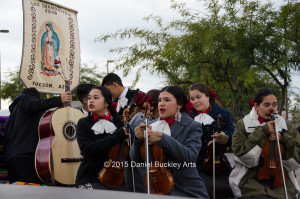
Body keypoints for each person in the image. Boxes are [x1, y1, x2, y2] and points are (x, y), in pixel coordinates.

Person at [130, 86, 209, 198]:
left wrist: (163, 139)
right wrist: (138, 140)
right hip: (157, 186)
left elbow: (190, 157)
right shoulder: (151, 125)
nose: (161, 104)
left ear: (179, 105)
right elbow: (136, 159)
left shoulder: (192, 125)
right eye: (159, 100)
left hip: (186, 188)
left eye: (167, 100)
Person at [229, 88, 300, 199]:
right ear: (256, 106)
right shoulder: (243, 124)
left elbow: (296, 159)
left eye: (274, 105)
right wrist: (262, 133)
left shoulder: (285, 124)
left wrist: (283, 138)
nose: (272, 108)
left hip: (281, 177)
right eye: (266, 105)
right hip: (250, 177)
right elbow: (243, 156)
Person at [4, 87, 72, 183]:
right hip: (26, 157)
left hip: (12, 157)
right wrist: (59, 99)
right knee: (29, 192)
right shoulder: (25, 99)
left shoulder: (12, 116)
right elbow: (34, 104)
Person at [75, 86, 128, 190]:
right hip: (90, 176)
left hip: (116, 176)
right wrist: (116, 137)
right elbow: (86, 149)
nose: (91, 101)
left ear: (106, 103)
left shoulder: (118, 122)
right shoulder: (83, 123)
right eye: (89, 98)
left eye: (96, 98)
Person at [188, 83, 235, 199]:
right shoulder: (187, 116)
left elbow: (233, 134)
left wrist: (226, 135)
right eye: (192, 99)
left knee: (231, 189)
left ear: (208, 96)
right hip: (196, 163)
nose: (195, 101)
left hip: (219, 163)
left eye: (198, 97)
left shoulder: (224, 114)